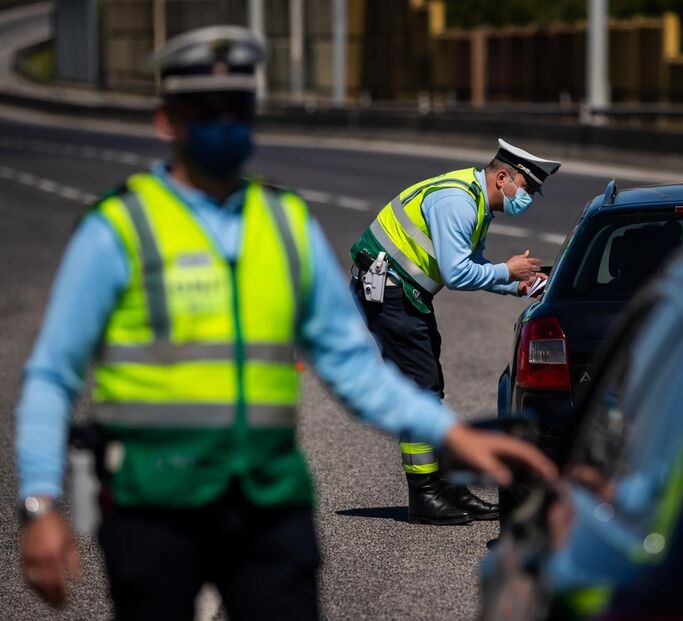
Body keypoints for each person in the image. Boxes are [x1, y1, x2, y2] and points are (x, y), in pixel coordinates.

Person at [15, 26, 555, 619]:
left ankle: (429, 486)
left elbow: (353, 367)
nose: (225, 125)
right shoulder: (118, 229)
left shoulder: (284, 225)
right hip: (154, 507)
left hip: (269, 508)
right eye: (206, 111)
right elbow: (52, 375)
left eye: (238, 109)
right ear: (166, 121)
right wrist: (39, 503)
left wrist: (453, 436)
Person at [349, 140, 561, 524]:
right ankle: (424, 495)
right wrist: (508, 271)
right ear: (502, 177)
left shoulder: (477, 202)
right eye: (527, 188)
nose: (528, 198)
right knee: (420, 389)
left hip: (405, 294)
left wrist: (518, 285)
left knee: (430, 387)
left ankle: (447, 486)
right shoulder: (458, 202)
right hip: (389, 293)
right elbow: (457, 273)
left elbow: (473, 263)